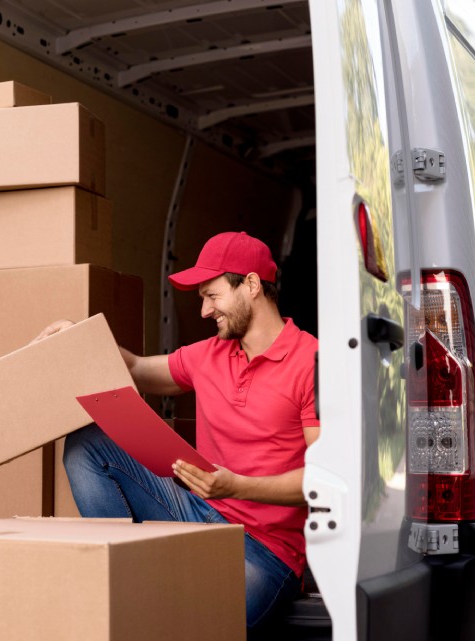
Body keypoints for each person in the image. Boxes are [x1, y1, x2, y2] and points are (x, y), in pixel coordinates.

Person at [35, 231, 319, 635]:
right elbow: (133, 368)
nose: (204, 310)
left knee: (194, 625)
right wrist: (79, 336)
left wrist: (236, 487)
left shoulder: (312, 361)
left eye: (212, 295)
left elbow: (323, 480)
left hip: (266, 553)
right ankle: (123, 577)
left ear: (252, 285)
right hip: (197, 516)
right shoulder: (210, 354)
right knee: (88, 444)